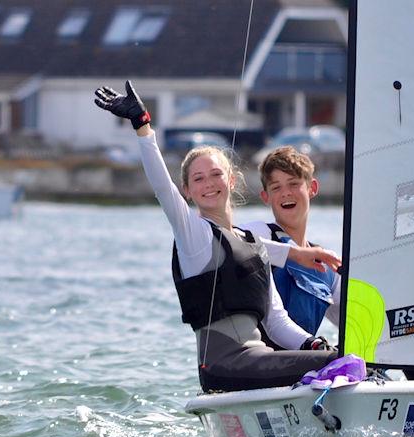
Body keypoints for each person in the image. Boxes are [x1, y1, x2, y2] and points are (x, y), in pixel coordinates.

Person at [94, 81, 340, 393]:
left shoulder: (252, 243)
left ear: (231, 180)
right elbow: (161, 188)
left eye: (216, 175)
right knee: (336, 364)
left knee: (339, 359)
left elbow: (277, 322)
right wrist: (143, 127)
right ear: (188, 190)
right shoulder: (193, 236)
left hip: (258, 360)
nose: (208, 184)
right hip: (223, 367)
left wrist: (313, 344)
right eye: (198, 178)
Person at [240, 146, 340, 347]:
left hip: (305, 368)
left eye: (294, 184)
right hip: (261, 368)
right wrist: (294, 253)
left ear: (312, 188)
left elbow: (356, 323)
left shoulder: (327, 264)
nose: (285, 193)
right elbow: (230, 240)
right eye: (276, 187)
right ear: (265, 197)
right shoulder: (262, 232)